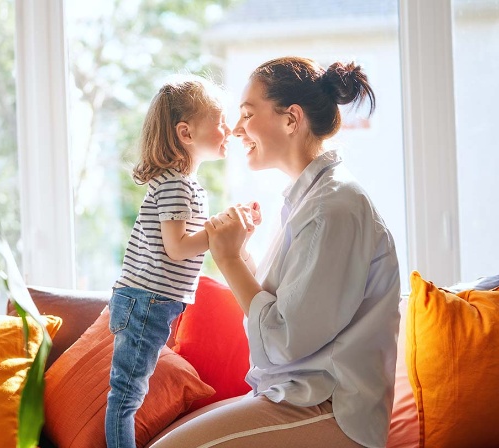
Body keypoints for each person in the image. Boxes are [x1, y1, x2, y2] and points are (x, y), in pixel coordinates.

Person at [149, 57, 400, 448]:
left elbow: (282, 342)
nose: (235, 129)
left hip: (331, 407)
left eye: (248, 114)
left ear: (290, 119)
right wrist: (241, 254)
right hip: (299, 395)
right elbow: (284, 311)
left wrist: (229, 259)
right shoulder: (312, 200)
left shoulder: (333, 207)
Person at [105, 74, 259, 448]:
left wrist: (227, 229)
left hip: (149, 302)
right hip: (146, 302)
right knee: (125, 397)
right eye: (220, 123)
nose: (229, 130)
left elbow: (184, 243)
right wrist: (220, 231)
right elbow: (177, 248)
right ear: (186, 134)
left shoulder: (183, 184)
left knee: (128, 394)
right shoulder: (176, 184)